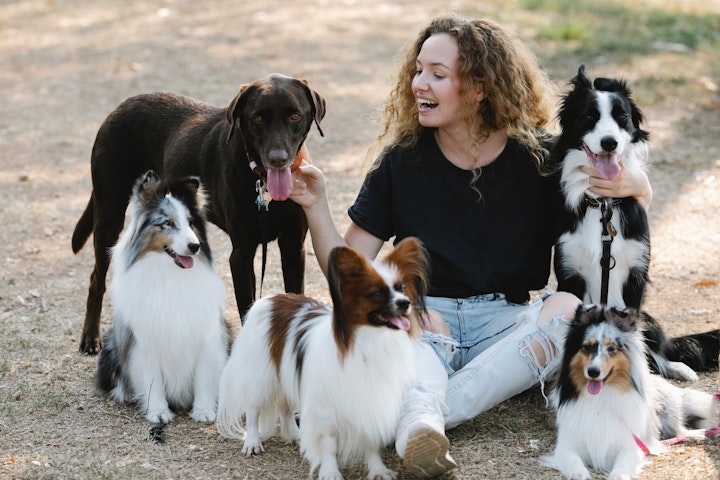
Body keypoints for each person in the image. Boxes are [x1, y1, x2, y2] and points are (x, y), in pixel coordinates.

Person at [290, 14, 652, 479]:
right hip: (424, 319)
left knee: (565, 309)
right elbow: (349, 276)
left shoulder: (541, 159)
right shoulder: (402, 161)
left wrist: (635, 182)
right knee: (399, 325)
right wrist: (316, 205)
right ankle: (418, 426)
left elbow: (622, 184)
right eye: (418, 70)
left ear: (481, 87)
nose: (420, 83)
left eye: (438, 75)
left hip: (508, 325)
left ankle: (414, 419)